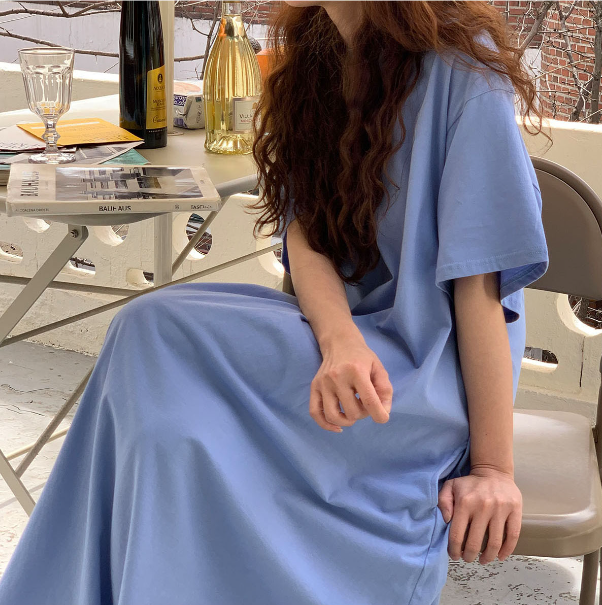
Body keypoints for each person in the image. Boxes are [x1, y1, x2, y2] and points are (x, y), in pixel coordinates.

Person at [0, 2, 549, 604]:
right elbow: (306, 234)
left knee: (156, 352)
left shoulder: (464, 67)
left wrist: (493, 470)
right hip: (343, 342)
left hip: (423, 373)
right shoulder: (314, 56)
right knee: (153, 363)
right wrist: (339, 340)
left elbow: (481, 289)